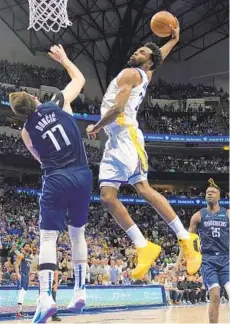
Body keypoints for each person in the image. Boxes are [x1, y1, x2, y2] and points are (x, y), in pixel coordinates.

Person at [86, 19, 201, 279]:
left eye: (141, 52)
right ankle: (143, 246)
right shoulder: (146, 73)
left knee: (143, 188)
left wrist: (95, 127)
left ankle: (186, 240)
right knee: (107, 197)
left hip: (125, 135)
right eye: (137, 50)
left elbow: (116, 110)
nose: (135, 52)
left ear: (148, 62)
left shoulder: (130, 74)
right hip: (114, 140)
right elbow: (160, 57)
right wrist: (173, 40)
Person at [9, 44, 92, 324]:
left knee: (48, 238)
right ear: (35, 98)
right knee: (77, 233)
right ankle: (80, 291)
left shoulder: (25, 132)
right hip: (82, 174)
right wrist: (65, 59)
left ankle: (45, 297)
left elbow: (39, 158)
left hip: (56, 177)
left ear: (21, 113)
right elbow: (80, 80)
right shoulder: (57, 100)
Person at [176, 179, 229, 323]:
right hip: (208, 260)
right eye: (207, 193)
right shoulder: (198, 216)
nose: (210, 194)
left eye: (213, 192)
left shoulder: (228, 214)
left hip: (226, 259)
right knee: (215, 295)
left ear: (219, 197)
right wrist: (177, 263)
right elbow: (186, 241)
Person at [14, 243, 33, 319]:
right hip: (22, 274)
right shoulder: (21, 255)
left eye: (28, 246)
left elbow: (28, 267)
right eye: (26, 246)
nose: (27, 247)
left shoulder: (29, 256)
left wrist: (29, 276)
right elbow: (16, 264)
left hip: (26, 275)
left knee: (24, 292)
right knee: (21, 291)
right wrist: (18, 274)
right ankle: (19, 311)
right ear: (23, 247)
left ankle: (20, 310)